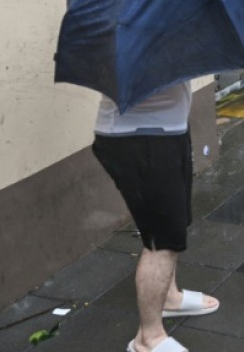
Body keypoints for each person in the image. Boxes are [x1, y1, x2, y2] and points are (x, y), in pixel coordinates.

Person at [92, 81, 219, 352]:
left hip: (168, 130)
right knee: (163, 240)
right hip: (140, 138)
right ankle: (148, 339)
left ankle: (169, 299)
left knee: (175, 222)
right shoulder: (134, 37)